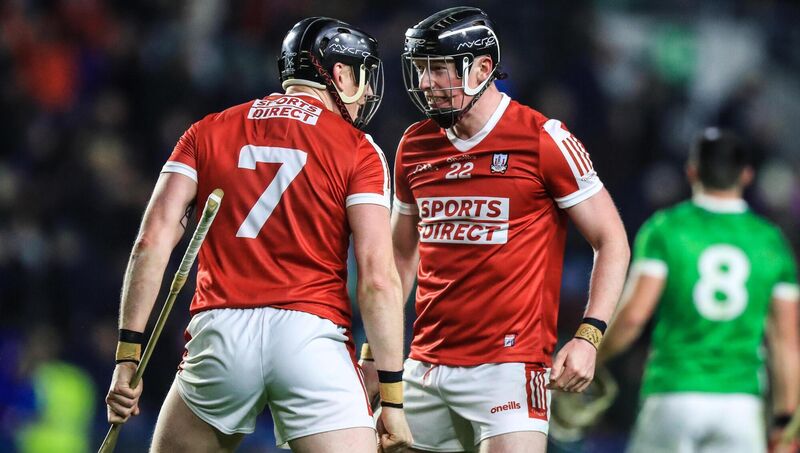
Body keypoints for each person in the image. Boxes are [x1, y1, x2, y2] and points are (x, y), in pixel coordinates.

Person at [104, 17, 412, 453]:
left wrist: (126, 357)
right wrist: (393, 399)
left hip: (221, 333)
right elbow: (378, 279)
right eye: (360, 76)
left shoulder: (206, 130)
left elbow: (150, 241)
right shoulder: (360, 149)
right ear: (339, 74)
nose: (364, 94)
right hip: (311, 339)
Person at [362, 6, 630, 453]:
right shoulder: (413, 144)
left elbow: (611, 240)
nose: (425, 82)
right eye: (420, 69)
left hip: (510, 368)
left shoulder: (545, 138)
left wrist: (589, 336)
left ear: (482, 68)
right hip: (424, 366)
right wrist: (377, 356)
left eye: (438, 69)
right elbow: (399, 260)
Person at [598, 128, 800, 453]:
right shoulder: (771, 242)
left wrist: (595, 357)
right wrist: (784, 421)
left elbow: (634, 316)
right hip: (740, 403)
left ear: (692, 171)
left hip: (675, 391)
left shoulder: (667, 228)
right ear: (746, 175)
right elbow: (786, 343)